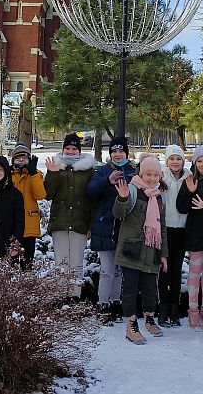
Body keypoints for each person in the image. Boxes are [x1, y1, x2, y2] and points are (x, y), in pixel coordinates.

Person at [113, 154, 168, 345]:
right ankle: (131, 325)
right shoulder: (133, 191)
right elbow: (118, 214)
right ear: (141, 174)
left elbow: (162, 228)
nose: (152, 179)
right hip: (132, 249)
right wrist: (122, 198)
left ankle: (149, 318)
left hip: (152, 251)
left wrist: (164, 255)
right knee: (130, 288)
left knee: (150, 289)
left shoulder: (159, 198)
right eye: (148, 175)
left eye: (155, 175)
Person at [87, 137, 137, 322]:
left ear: (126, 153)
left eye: (121, 151)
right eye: (114, 152)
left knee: (119, 271)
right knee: (107, 269)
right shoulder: (102, 171)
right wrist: (107, 181)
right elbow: (91, 191)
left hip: (126, 228)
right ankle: (103, 304)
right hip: (105, 226)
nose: (117, 155)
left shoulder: (132, 171)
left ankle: (116, 302)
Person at [43, 134, 95, 299]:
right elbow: (48, 194)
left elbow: (93, 198)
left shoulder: (88, 170)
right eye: (68, 148)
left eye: (74, 149)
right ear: (63, 149)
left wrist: (91, 225)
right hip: (60, 222)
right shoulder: (56, 167)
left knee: (76, 264)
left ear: (79, 151)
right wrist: (52, 174)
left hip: (80, 222)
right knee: (61, 263)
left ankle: (74, 298)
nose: (71, 152)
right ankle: (60, 297)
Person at [176, 144, 203, 332]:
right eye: (199, 161)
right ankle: (193, 310)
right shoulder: (190, 180)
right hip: (194, 234)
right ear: (194, 163)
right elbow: (181, 207)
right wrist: (190, 192)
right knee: (194, 275)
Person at [158, 144, 188, 326]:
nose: (175, 162)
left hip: (182, 229)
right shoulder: (161, 177)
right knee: (164, 270)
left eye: (178, 158)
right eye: (172, 158)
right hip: (165, 228)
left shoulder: (189, 178)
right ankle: (162, 309)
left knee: (176, 270)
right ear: (167, 161)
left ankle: (175, 309)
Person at [10, 144, 46, 268]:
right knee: (11, 263)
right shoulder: (8, 175)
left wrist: (33, 174)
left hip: (29, 225)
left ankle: (26, 287)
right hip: (12, 226)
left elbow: (40, 195)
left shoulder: (35, 175)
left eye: (24, 157)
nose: (21, 160)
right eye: (18, 157)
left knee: (27, 264)